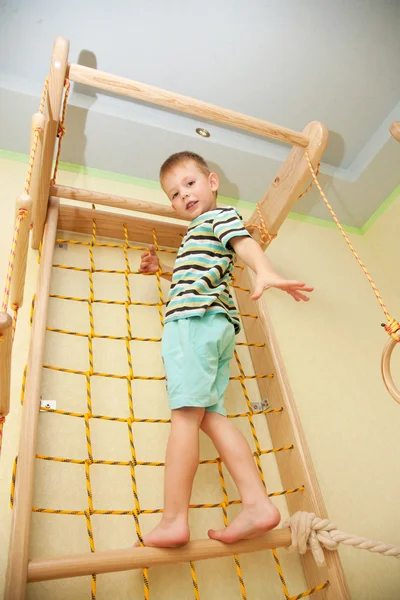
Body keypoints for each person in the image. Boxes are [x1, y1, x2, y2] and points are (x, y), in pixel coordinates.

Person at [139, 151, 313, 548]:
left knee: (185, 416)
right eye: (173, 193)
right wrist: (163, 272)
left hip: (193, 324)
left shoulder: (217, 218)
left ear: (212, 182)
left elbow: (243, 241)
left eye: (189, 184)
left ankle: (173, 520)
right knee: (209, 416)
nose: (182, 195)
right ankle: (256, 503)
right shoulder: (199, 233)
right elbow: (201, 275)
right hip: (215, 324)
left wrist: (263, 269)